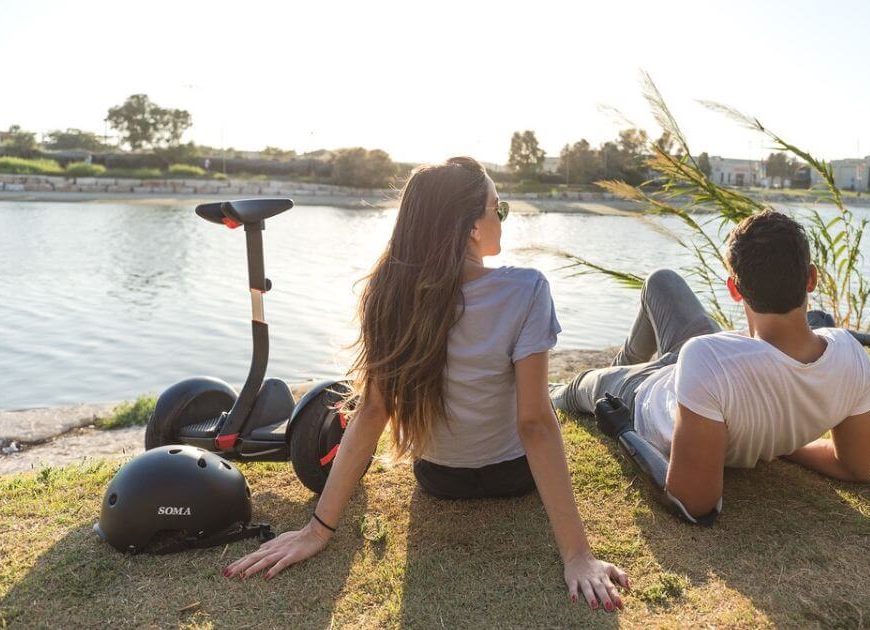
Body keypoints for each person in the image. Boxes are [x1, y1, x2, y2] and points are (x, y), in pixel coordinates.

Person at [223, 157, 628, 612]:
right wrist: (578, 556)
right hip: (516, 475)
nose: (502, 218)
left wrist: (319, 529)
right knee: (556, 396)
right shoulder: (527, 289)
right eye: (500, 208)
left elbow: (372, 413)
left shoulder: (388, 291)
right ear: (473, 227)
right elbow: (534, 423)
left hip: (439, 478)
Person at [550, 210, 870, 523]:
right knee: (661, 281)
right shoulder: (851, 353)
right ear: (811, 278)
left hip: (641, 395)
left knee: (577, 387)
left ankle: (566, 389)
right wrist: (784, 442)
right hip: (702, 372)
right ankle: (619, 368)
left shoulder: (709, 359)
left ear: (734, 290)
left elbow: (693, 503)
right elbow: (854, 468)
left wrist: (622, 429)